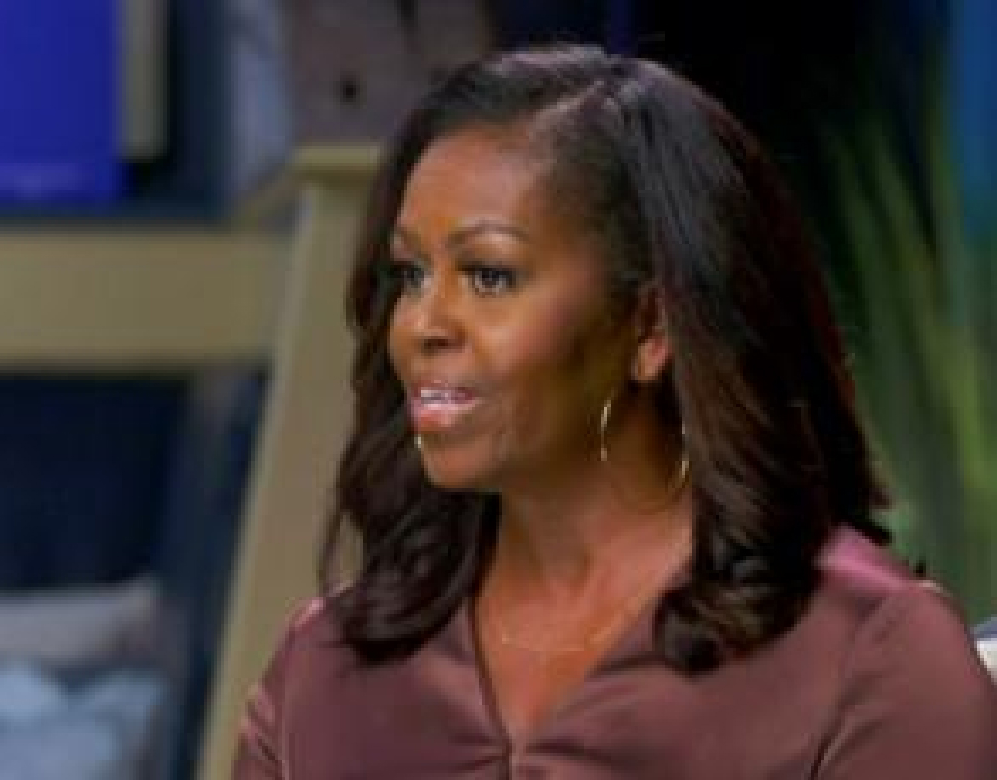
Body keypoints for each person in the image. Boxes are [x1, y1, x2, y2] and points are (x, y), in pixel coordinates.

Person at [233, 44, 997, 778]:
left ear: (650, 327)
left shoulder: (864, 657)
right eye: (410, 274)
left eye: (489, 276)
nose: (421, 325)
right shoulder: (323, 671)